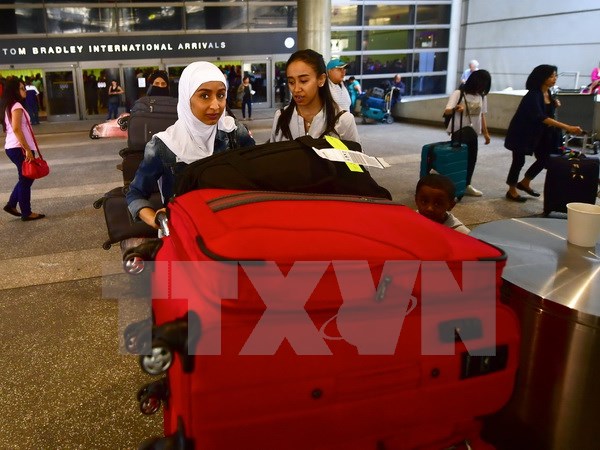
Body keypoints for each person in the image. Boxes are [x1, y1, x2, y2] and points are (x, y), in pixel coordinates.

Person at [127, 61, 256, 229]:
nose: (216, 105)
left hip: (233, 229)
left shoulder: (234, 132)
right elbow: (135, 193)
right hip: (186, 235)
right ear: (187, 98)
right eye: (204, 96)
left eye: (221, 95)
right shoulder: (165, 145)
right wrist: (156, 219)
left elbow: (256, 176)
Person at [504, 64, 583, 202]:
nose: (555, 78)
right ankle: (511, 190)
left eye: (555, 75)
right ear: (542, 77)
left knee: (545, 158)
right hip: (523, 133)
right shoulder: (533, 95)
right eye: (551, 76)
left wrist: (553, 104)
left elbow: (547, 112)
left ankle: (525, 182)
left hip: (539, 134)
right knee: (518, 161)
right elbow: (541, 117)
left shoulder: (548, 93)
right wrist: (567, 127)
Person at [270, 49, 360, 143]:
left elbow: (356, 155)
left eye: (303, 81)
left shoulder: (343, 120)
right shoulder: (281, 116)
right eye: (291, 82)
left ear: (321, 79)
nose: (296, 89)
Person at [1, 76, 45, 221]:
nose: (25, 90)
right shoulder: (17, 106)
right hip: (18, 147)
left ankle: (12, 204)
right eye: (21, 88)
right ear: (15, 91)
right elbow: (16, 129)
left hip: (14, 147)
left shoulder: (11, 105)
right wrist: (27, 149)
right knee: (26, 179)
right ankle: (26, 212)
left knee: (25, 177)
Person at [443, 69, 492, 197]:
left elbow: (482, 116)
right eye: (482, 84)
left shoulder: (482, 96)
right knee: (457, 159)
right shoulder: (459, 93)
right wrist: (456, 109)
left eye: (486, 85)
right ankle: (453, 185)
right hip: (459, 131)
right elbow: (447, 111)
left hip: (473, 132)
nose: (483, 87)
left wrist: (486, 133)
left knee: (471, 159)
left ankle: (466, 184)